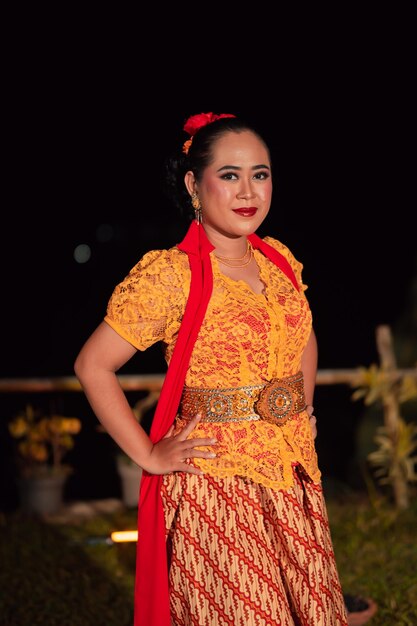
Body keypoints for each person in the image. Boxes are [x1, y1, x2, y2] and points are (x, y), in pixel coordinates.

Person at [74, 112, 349, 626]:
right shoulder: (171, 274)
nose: (248, 191)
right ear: (193, 184)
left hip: (292, 480)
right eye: (229, 175)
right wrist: (150, 456)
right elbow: (93, 365)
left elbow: (302, 334)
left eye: (260, 174)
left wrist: (301, 407)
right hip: (215, 487)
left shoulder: (279, 259)